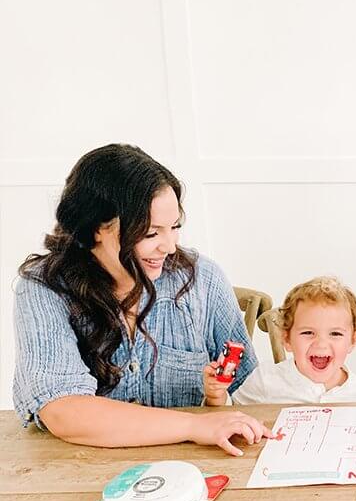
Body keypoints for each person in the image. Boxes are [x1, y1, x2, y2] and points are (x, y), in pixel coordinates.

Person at [13, 144, 272, 456]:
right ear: (97, 228)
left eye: (174, 228)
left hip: (192, 474)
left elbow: (249, 391)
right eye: (151, 233)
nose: (170, 247)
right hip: (80, 478)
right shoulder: (45, 287)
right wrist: (194, 426)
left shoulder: (202, 278)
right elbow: (63, 412)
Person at [204, 276, 356, 404]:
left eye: (335, 334)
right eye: (308, 332)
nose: (321, 344)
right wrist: (215, 396)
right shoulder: (265, 380)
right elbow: (233, 418)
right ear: (287, 339)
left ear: (353, 340)